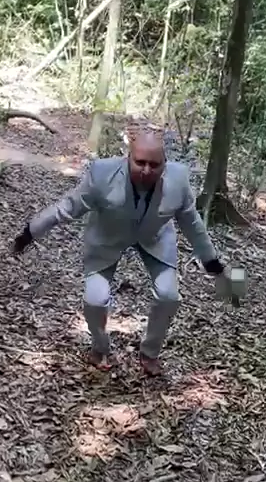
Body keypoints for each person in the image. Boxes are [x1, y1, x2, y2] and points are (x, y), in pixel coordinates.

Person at [13, 128, 229, 375]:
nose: (146, 170)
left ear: (165, 164)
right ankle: (99, 347)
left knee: (169, 296)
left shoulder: (178, 180)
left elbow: (192, 223)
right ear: (128, 158)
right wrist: (30, 232)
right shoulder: (102, 174)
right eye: (140, 162)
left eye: (154, 165)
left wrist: (211, 260)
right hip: (107, 238)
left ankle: (150, 353)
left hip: (155, 238)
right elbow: (67, 207)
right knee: (95, 299)